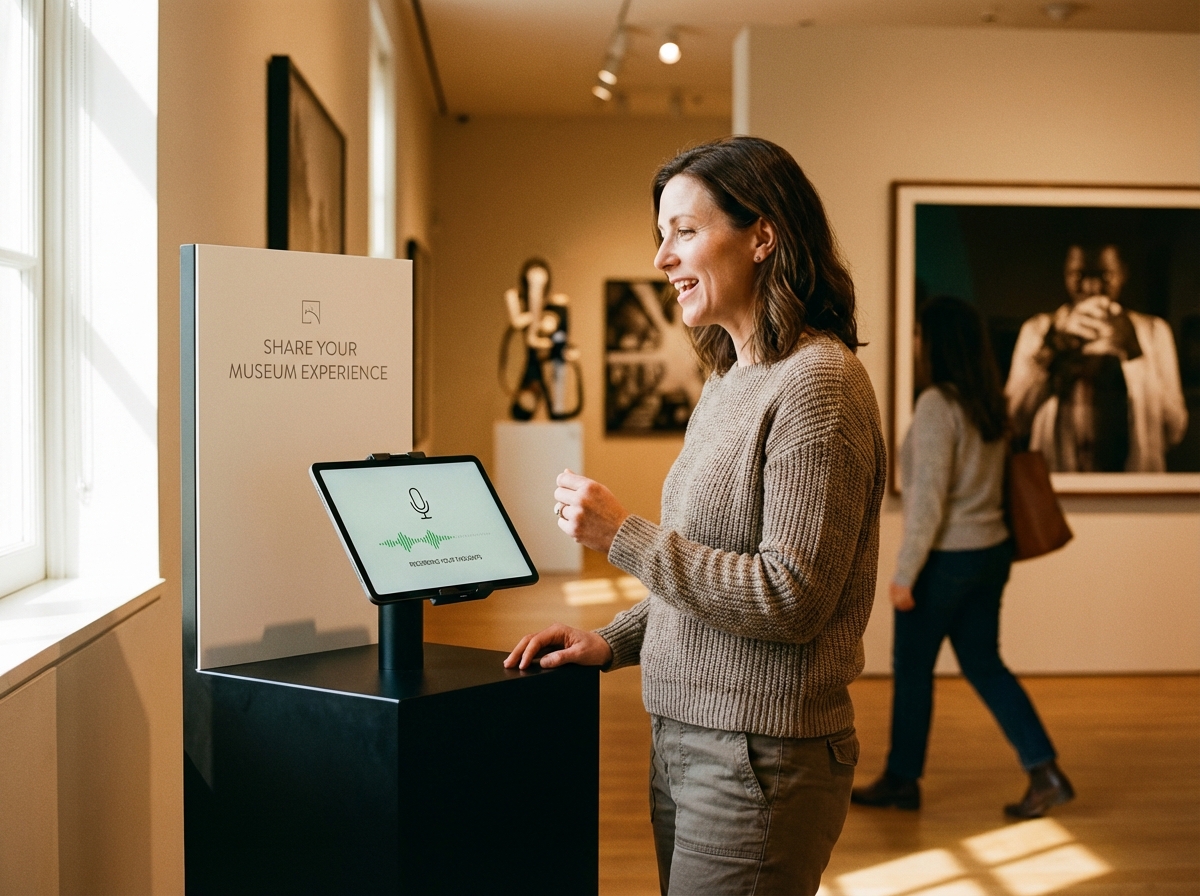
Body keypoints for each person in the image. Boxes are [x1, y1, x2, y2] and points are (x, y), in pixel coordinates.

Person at [504, 136, 886, 896]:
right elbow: (708, 575)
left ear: (763, 236)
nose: (662, 257)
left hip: (760, 755)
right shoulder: (729, 378)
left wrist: (623, 537)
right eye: (660, 234)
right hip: (687, 738)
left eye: (683, 231)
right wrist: (606, 642)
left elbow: (790, 596)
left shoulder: (819, 383)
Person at [852, 296, 1074, 819]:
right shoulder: (986, 403)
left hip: (946, 563)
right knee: (984, 664)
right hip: (990, 555)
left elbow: (928, 505)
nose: (915, 342)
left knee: (912, 670)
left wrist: (905, 576)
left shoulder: (937, 406)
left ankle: (902, 781)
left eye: (920, 333)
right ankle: (1044, 770)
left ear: (937, 342)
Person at [1005, 243, 1188, 471]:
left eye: (1105, 275)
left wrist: (1134, 351)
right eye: (1079, 275)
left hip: (1133, 490)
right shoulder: (1038, 330)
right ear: (1065, 274)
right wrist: (1049, 354)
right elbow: (1011, 423)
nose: (1091, 287)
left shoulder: (1153, 332)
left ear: (1123, 274)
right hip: (1058, 487)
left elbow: (1174, 431)